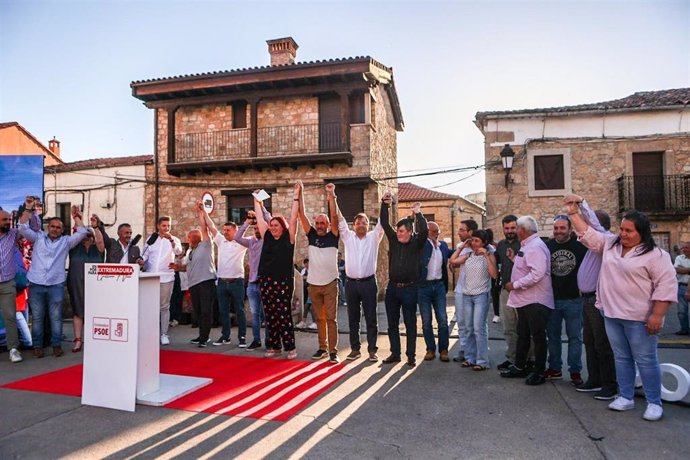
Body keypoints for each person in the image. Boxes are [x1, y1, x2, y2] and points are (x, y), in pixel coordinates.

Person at [566, 196, 677, 421]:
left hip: (640, 318)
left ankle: (654, 402)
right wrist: (572, 213)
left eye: (629, 231)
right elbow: (588, 235)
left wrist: (657, 315)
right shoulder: (611, 245)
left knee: (646, 360)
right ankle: (625, 396)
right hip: (611, 314)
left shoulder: (657, 255)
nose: (624, 234)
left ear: (642, 232)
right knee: (622, 358)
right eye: (622, 229)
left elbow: (666, 286)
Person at [19, 199, 89, 358]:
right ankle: (37, 346)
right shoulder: (37, 237)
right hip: (36, 283)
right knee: (37, 317)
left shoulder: (66, 242)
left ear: (62, 230)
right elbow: (22, 228)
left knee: (56, 317)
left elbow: (83, 232)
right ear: (47, 227)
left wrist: (76, 216)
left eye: (58, 228)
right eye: (52, 226)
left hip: (55, 284)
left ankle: (56, 345)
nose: (55, 230)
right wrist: (28, 208)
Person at [332, 187, 385, 363]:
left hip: (369, 283)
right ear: (353, 226)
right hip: (351, 284)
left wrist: (385, 204)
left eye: (364, 222)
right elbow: (339, 219)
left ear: (368, 225)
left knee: (371, 318)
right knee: (353, 318)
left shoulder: (374, 237)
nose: (361, 225)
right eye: (358, 222)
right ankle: (355, 349)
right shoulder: (347, 237)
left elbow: (382, 223)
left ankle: (372, 350)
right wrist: (333, 196)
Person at [500, 216, 554, 385]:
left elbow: (537, 274)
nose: (514, 231)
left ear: (522, 230)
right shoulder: (529, 245)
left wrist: (514, 285)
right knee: (523, 334)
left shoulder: (535, 247)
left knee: (537, 337)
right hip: (526, 300)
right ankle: (520, 366)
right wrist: (514, 259)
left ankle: (538, 372)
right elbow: (527, 266)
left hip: (536, 300)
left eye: (516, 228)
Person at [573, 201, 618, 400]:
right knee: (590, 342)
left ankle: (609, 384)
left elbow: (594, 226)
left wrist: (581, 205)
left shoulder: (606, 241)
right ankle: (594, 379)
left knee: (602, 343)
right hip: (586, 300)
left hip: (597, 300)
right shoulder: (594, 245)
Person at [380, 192, 428, 367]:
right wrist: (384, 204)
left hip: (410, 289)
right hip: (392, 289)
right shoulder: (393, 240)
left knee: (410, 324)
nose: (398, 234)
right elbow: (384, 223)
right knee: (392, 324)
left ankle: (411, 356)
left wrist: (418, 213)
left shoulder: (417, 243)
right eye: (397, 231)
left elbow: (424, 231)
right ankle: (395, 354)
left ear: (409, 231)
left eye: (401, 231)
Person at [255, 185, 300, 359]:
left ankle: (290, 348)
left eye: (276, 225)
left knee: (283, 314)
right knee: (270, 314)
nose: (273, 227)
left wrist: (296, 196)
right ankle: (274, 346)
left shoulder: (289, 238)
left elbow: (294, 218)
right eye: (271, 225)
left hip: (283, 282)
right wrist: (257, 201)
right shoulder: (266, 236)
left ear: (282, 227)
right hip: (266, 280)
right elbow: (259, 217)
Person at [298, 182, 341, 364]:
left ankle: (333, 351)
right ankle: (322, 348)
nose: (320, 225)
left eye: (323, 223)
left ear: (328, 224)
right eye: (318, 223)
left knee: (331, 319)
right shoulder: (312, 235)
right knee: (320, 318)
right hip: (314, 284)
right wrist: (299, 193)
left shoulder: (334, 235)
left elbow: (334, 215)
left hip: (331, 283)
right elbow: (301, 214)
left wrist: (331, 195)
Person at [544, 215, 587, 386]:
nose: (558, 231)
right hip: (551, 299)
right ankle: (555, 368)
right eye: (556, 228)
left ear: (570, 229)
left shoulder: (580, 247)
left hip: (574, 300)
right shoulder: (547, 247)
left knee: (575, 338)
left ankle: (575, 371)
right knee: (552, 337)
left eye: (562, 228)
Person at [170, 202, 217, 347]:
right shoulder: (191, 251)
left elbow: (204, 228)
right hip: (194, 284)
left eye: (189, 238)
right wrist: (177, 267)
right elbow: (189, 268)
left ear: (194, 238)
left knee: (205, 312)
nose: (187, 240)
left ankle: (204, 338)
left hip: (206, 283)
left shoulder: (206, 245)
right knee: (198, 311)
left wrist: (200, 212)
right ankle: (202, 336)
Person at [200, 211, 248, 347]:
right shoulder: (221, 241)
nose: (225, 232)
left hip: (236, 282)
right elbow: (211, 226)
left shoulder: (241, 243)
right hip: (221, 282)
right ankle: (225, 336)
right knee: (223, 311)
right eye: (224, 230)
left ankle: (242, 337)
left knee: (240, 310)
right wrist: (203, 211)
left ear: (235, 231)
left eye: (228, 230)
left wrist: (249, 220)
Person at [455, 229, 497, 370]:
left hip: (481, 296)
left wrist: (485, 255)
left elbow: (494, 274)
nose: (473, 243)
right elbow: (452, 260)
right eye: (472, 240)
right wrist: (462, 246)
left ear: (484, 243)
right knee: (469, 328)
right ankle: (470, 358)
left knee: (479, 328)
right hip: (467, 295)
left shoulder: (490, 255)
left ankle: (482, 361)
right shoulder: (468, 255)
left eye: (477, 240)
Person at [66, 215, 105, 353]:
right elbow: (79, 230)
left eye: (89, 235)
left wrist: (95, 227)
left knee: (94, 312)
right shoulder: (74, 248)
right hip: (76, 282)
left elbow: (100, 240)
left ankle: (93, 339)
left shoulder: (98, 249)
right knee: (78, 311)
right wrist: (76, 217)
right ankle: (77, 340)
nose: (87, 237)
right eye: (84, 234)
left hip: (96, 285)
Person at [235, 206, 272, 350]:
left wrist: (260, 207)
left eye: (259, 229)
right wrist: (247, 222)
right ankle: (256, 340)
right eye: (255, 229)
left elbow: (269, 221)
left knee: (267, 314)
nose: (257, 231)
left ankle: (269, 340)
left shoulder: (268, 241)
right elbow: (237, 237)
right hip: (252, 284)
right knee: (255, 315)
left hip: (265, 284)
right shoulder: (251, 242)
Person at [143, 216, 182, 346]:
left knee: (164, 307)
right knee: (150, 306)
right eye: (164, 226)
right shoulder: (151, 239)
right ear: (158, 226)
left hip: (166, 277)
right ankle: (151, 333)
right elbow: (145, 255)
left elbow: (179, 252)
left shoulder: (174, 239)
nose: (166, 228)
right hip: (150, 276)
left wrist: (171, 239)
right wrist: (141, 260)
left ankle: (164, 334)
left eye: (168, 226)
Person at [0, 208, 33, 362]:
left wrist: (27, 210)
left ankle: (13, 349)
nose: (8, 222)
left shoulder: (13, 235)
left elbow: (26, 229)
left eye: (8, 219)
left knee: (10, 317)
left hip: (7, 283)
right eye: (4, 220)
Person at [494, 214, 525, 370]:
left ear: (518, 227)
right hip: (506, 291)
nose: (510, 231)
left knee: (525, 328)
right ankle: (512, 358)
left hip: (523, 291)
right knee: (509, 328)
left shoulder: (525, 244)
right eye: (507, 228)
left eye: (513, 227)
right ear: (503, 229)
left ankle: (529, 359)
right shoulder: (500, 245)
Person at [418, 221, 451, 362]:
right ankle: (430, 349)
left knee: (443, 319)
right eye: (433, 231)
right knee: (426, 321)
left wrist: (463, 248)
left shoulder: (442, 245)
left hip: (439, 286)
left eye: (437, 231)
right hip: (423, 287)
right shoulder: (422, 245)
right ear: (426, 232)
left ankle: (443, 350)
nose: (436, 234)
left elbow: (451, 254)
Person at [449, 219, 479, 362]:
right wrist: (460, 249)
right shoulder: (460, 246)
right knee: (462, 322)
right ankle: (463, 349)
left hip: (478, 291)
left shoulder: (482, 246)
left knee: (476, 324)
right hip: (461, 290)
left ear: (470, 232)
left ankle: (477, 352)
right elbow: (452, 264)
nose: (459, 232)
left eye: (462, 230)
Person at [673, 241, 690, 335]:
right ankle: (684, 329)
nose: (684, 249)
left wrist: (684, 269)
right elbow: (676, 270)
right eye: (683, 248)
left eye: (686, 248)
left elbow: (681, 270)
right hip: (682, 286)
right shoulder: (679, 258)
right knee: (681, 311)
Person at [295, 258, 316, 329]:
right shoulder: (304, 270)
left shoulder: (314, 270)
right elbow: (301, 277)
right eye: (306, 263)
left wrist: (306, 277)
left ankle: (315, 323)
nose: (307, 264)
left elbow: (310, 277)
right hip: (309, 288)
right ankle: (303, 322)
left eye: (308, 263)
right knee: (306, 306)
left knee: (312, 307)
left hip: (315, 289)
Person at [486, 228, 502, 324]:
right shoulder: (496, 246)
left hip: (495, 272)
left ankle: (497, 314)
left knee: (495, 293)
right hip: (493, 272)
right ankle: (497, 314)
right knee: (495, 293)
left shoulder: (495, 247)